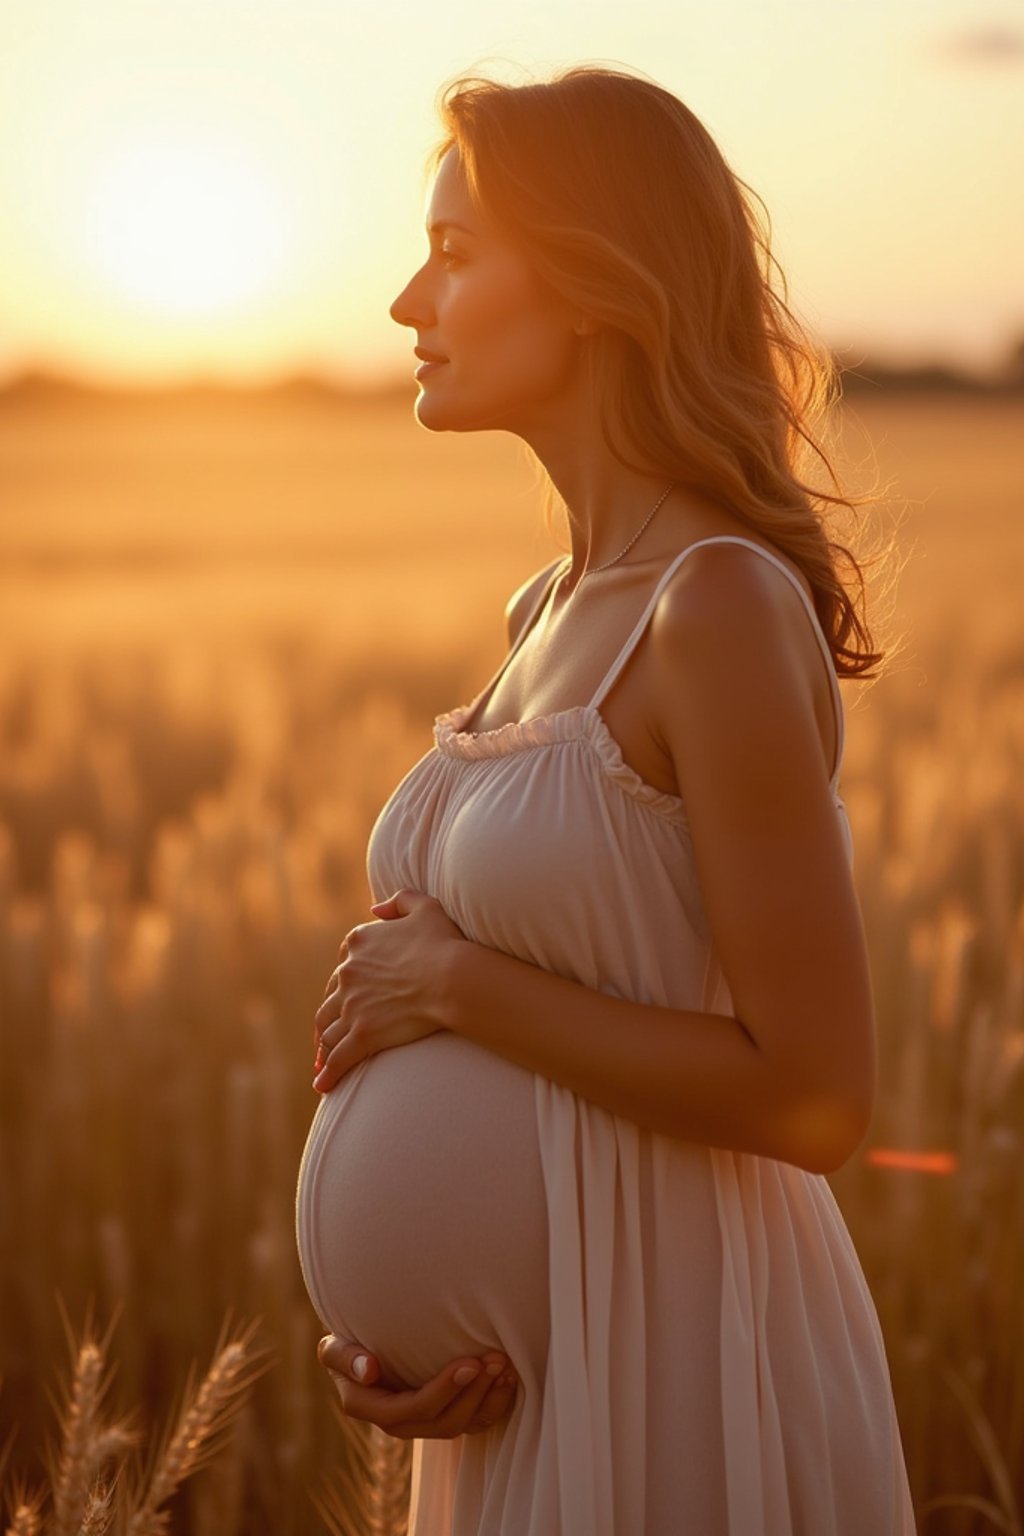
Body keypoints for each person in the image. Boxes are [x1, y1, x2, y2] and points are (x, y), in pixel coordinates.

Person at [295, 63, 917, 1535]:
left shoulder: (714, 607)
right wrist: (400, 1334)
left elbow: (818, 1092)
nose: (405, 302)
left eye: (453, 252)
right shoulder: (547, 607)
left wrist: (452, 979)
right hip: (524, 1393)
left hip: (685, 1351)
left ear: (589, 282)